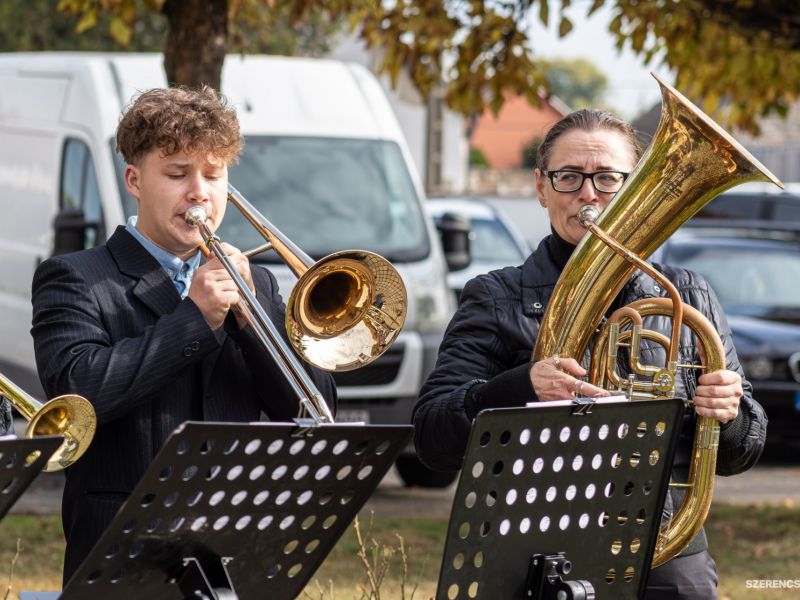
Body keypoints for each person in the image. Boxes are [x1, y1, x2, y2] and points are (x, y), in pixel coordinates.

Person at [413, 109, 766, 599]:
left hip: (666, 557)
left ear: (635, 186)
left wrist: (729, 413)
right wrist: (521, 386)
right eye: (569, 177)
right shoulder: (494, 298)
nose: (588, 194)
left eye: (607, 177)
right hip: (531, 557)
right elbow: (433, 438)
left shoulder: (689, 296)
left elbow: (739, 454)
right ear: (542, 188)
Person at [31, 86, 337, 583]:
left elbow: (316, 409)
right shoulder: (76, 277)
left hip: (235, 553)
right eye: (177, 174)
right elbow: (79, 393)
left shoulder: (255, 282)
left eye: (214, 176)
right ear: (134, 179)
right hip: (120, 557)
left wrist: (250, 322)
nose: (199, 192)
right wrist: (194, 317)